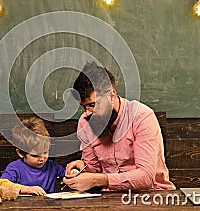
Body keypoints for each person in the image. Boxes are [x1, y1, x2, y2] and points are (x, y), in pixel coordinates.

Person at [63, 61, 175, 192]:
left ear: (112, 94)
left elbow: (145, 178)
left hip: (150, 196)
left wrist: (96, 180)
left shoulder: (142, 117)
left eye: (93, 105)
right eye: (84, 106)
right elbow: (94, 168)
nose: (88, 112)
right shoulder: (85, 121)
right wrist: (82, 167)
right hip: (109, 198)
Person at [0, 117, 66, 196]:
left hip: (49, 207)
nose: (42, 158)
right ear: (20, 153)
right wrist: (26, 189)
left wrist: (73, 174)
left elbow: (65, 176)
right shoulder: (15, 167)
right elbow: (2, 184)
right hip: (22, 207)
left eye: (45, 152)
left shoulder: (52, 166)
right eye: (35, 155)